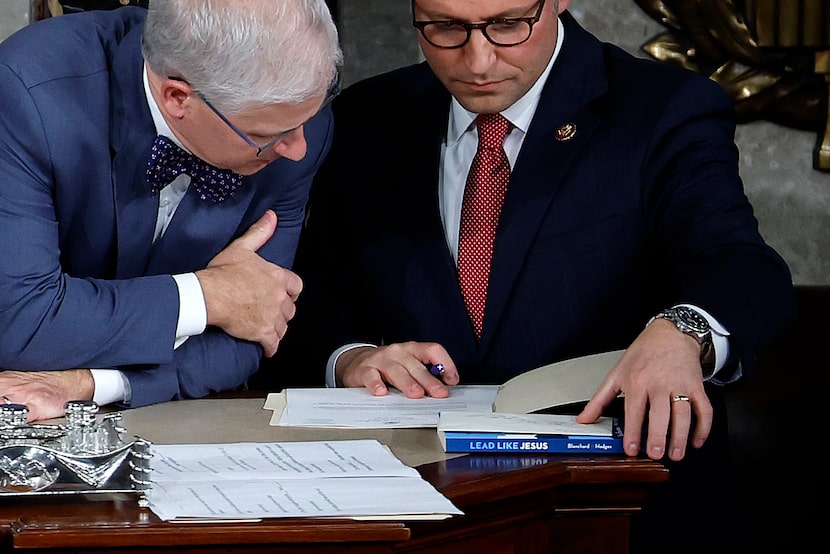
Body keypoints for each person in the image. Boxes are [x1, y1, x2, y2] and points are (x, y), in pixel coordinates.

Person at [270, 0, 796, 552]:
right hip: (412, 512)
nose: (477, 60)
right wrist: (350, 356)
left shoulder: (664, 108)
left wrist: (683, 330)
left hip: (622, 513)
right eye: (444, 28)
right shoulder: (366, 117)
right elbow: (312, 297)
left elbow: (743, 266)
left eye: (507, 25)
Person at [0, 0, 342, 421]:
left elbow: (256, 333)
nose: (299, 148)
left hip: (168, 419)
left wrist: (89, 383)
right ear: (177, 97)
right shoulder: (26, 90)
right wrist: (209, 297)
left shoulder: (295, 121)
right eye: (267, 136)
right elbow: (21, 318)